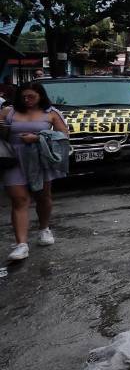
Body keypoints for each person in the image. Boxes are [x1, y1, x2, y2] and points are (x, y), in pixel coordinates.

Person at [3, 83, 70, 261]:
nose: (27, 100)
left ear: (40, 96)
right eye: (23, 97)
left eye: (31, 96)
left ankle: (44, 228)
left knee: (43, 196)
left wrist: (39, 137)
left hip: (40, 159)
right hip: (13, 159)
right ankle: (21, 244)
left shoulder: (51, 113)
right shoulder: (9, 112)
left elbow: (64, 135)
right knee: (19, 200)